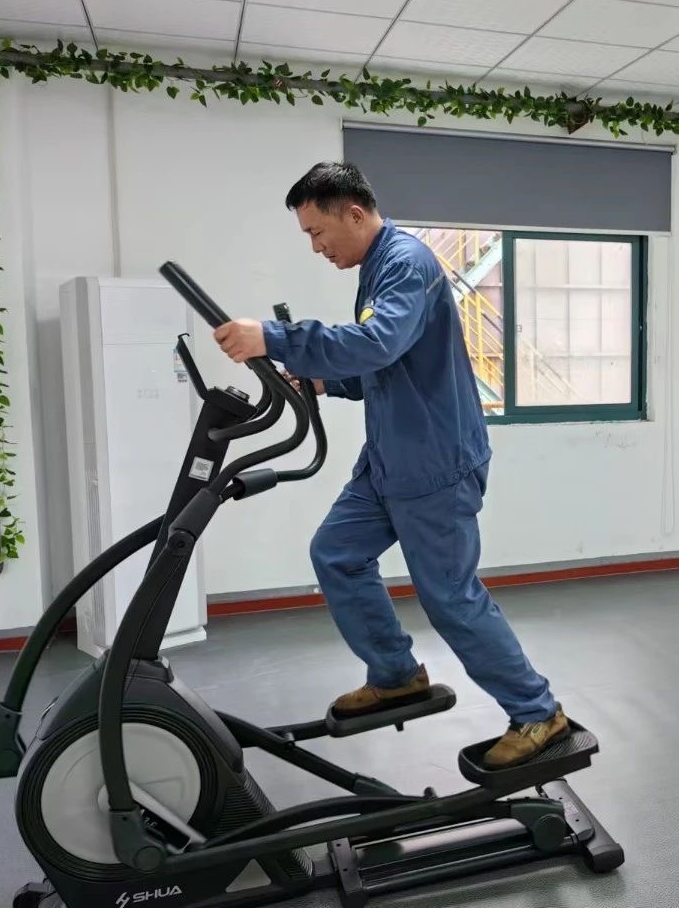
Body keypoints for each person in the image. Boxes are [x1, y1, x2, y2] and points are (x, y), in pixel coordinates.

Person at [212, 161, 567, 768]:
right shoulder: (375, 269)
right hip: (388, 459)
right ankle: (396, 674)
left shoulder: (406, 262)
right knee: (336, 553)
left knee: (450, 598)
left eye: (317, 232)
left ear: (354, 214)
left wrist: (273, 337)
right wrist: (322, 382)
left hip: (434, 464)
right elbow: (386, 366)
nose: (316, 247)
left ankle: (538, 712)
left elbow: (378, 343)